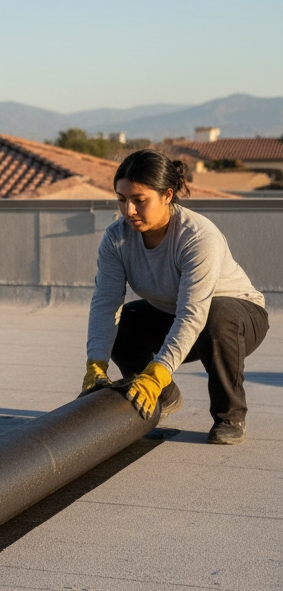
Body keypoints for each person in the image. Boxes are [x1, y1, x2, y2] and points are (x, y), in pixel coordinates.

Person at [81, 149, 268, 444]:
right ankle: (165, 396)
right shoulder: (116, 238)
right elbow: (106, 303)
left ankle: (230, 416)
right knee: (124, 322)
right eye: (121, 199)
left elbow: (194, 313)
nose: (128, 210)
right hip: (171, 312)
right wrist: (96, 363)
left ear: (167, 195)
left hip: (238, 317)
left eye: (139, 200)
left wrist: (159, 371)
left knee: (216, 316)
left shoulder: (197, 236)